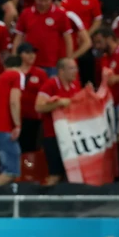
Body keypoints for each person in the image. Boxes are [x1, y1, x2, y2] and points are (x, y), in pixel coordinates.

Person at [35, 57, 82, 185]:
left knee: (71, 174)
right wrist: (58, 103)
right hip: (53, 136)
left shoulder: (75, 86)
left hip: (71, 136)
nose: (75, 71)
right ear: (61, 71)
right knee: (55, 175)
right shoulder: (51, 84)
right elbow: (38, 107)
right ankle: (44, 197)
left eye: (76, 68)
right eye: (71, 68)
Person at [12, 0, 73, 77]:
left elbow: (68, 39)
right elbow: (19, 37)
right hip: (29, 63)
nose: (43, 3)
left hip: (52, 64)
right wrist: (15, 57)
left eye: (46, 0)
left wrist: (68, 59)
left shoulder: (60, 14)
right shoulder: (26, 13)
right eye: (40, 0)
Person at [0, 56, 23, 186]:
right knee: (11, 171)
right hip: (5, 129)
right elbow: (14, 101)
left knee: (6, 170)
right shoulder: (16, 75)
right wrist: (17, 125)